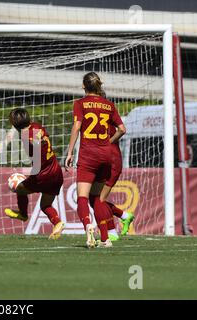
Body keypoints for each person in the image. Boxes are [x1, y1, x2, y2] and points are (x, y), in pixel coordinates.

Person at [65, 72, 126, 248]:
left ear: (84, 86)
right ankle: (105, 239)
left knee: (82, 198)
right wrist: (108, 142)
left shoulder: (80, 104)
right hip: (106, 155)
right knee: (98, 198)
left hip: (88, 155)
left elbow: (77, 127)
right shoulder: (109, 105)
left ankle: (88, 226)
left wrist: (69, 152)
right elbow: (122, 129)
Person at [4, 108, 65, 240]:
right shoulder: (37, 125)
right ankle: (57, 223)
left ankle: (23, 214)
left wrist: (36, 143)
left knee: (20, 189)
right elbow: (37, 137)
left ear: (14, 125)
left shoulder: (26, 136)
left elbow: (32, 140)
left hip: (43, 175)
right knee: (45, 205)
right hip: (56, 172)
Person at [89, 124, 134, 241]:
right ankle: (124, 216)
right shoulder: (102, 117)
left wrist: (106, 144)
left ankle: (111, 232)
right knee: (94, 198)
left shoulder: (102, 118)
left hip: (110, 162)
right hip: (105, 161)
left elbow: (122, 130)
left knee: (98, 199)